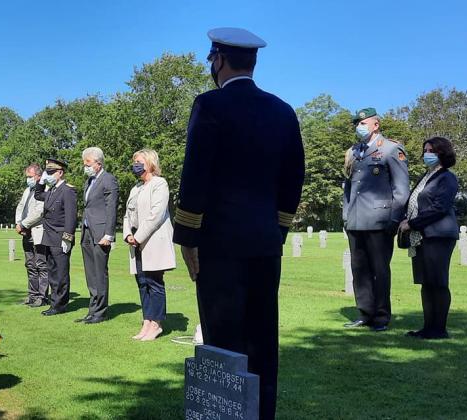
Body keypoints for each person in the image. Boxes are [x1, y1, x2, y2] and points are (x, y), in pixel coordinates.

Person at [173, 27, 304, 420]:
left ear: (218, 60)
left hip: (219, 245)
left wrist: (187, 237)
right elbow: (293, 180)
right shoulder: (283, 111)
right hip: (265, 242)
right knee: (262, 340)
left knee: (223, 340)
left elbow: (195, 175)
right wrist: (277, 231)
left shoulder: (209, 105)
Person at [342, 108, 410, 332]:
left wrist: (394, 219)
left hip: (380, 220)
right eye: (357, 123)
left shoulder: (391, 149)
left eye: (363, 123)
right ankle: (365, 313)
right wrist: (346, 216)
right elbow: (349, 188)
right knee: (359, 270)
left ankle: (381, 316)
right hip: (356, 220)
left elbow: (401, 189)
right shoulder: (353, 152)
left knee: (379, 270)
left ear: (376, 125)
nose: (359, 126)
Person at [399, 137, 459, 340]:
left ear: (443, 153)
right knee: (426, 283)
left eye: (431, 150)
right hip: (422, 237)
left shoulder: (447, 178)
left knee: (438, 282)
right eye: (425, 150)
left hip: (438, 235)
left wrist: (413, 223)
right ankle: (427, 328)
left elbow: (439, 208)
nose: (427, 154)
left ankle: (439, 329)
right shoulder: (427, 176)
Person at [123, 149, 176, 341]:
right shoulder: (136, 188)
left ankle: (156, 324)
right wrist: (128, 234)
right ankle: (147, 320)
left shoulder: (159, 184)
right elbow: (128, 214)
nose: (135, 165)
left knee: (154, 282)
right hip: (136, 242)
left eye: (139, 162)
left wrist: (138, 237)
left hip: (153, 241)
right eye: (134, 162)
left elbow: (156, 214)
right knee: (142, 282)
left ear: (150, 163)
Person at [78, 147, 118, 324]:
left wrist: (109, 234)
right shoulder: (89, 181)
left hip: (101, 233)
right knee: (91, 274)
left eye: (88, 163)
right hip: (87, 231)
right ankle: (92, 310)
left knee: (100, 273)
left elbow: (111, 208)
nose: (85, 166)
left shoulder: (108, 179)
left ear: (98, 163)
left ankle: (100, 312)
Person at [34, 158, 77, 316]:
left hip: (60, 237)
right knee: (52, 272)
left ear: (60, 173)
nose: (49, 175)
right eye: (47, 172)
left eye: (51, 172)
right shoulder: (52, 190)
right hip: (49, 236)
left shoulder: (67, 190)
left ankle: (60, 305)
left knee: (61, 273)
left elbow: (71, 217)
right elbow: (38, 195)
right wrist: (41, 181)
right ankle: (55, 302)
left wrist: (67, 238)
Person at [15, 163, 49, 307]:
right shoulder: (27, 190)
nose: (28, 179)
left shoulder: (45, 190)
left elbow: (39, 212)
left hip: (38, 231)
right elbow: (20, 207)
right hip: (26, 232)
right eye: (27, 177)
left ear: (38, 176)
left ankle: (42, 297)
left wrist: (24, 224)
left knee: (41, 265)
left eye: (30, 176)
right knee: (30, 265)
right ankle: (32, 294)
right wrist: (18, 223)